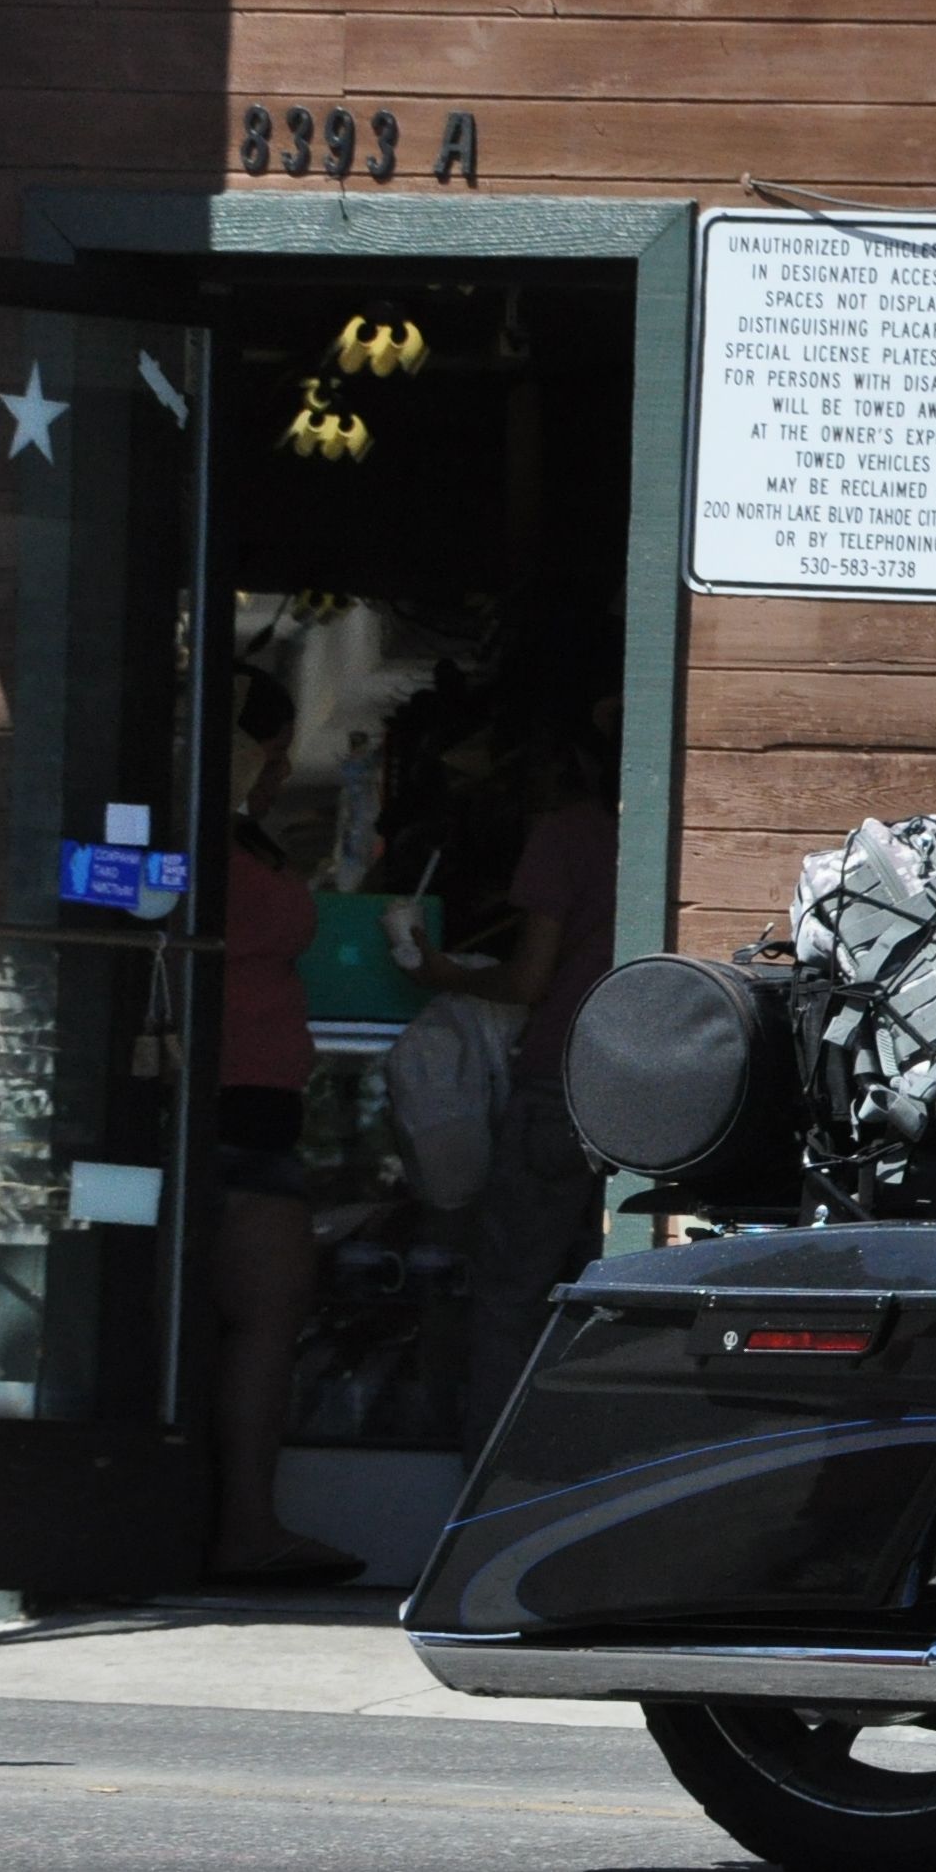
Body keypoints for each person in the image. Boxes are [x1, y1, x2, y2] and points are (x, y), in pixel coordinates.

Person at [401, 700, 617, 1442]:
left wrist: (441, 973)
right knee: (628, 1296)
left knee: (509, 1302)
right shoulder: (685, 822)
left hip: (559, 1086)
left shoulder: (567, 835)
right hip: (660, 1098)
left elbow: (527, 982)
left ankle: (493, 1500)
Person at [208, 668, 363, 1584]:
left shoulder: (232, 834)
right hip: (225, 1100)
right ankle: (243, 1525)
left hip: (253, 1101)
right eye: (268, 752)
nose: (275, 771)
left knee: (256, 1311)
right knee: (267, 1308)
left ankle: (240, 1521)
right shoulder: (205, 832)